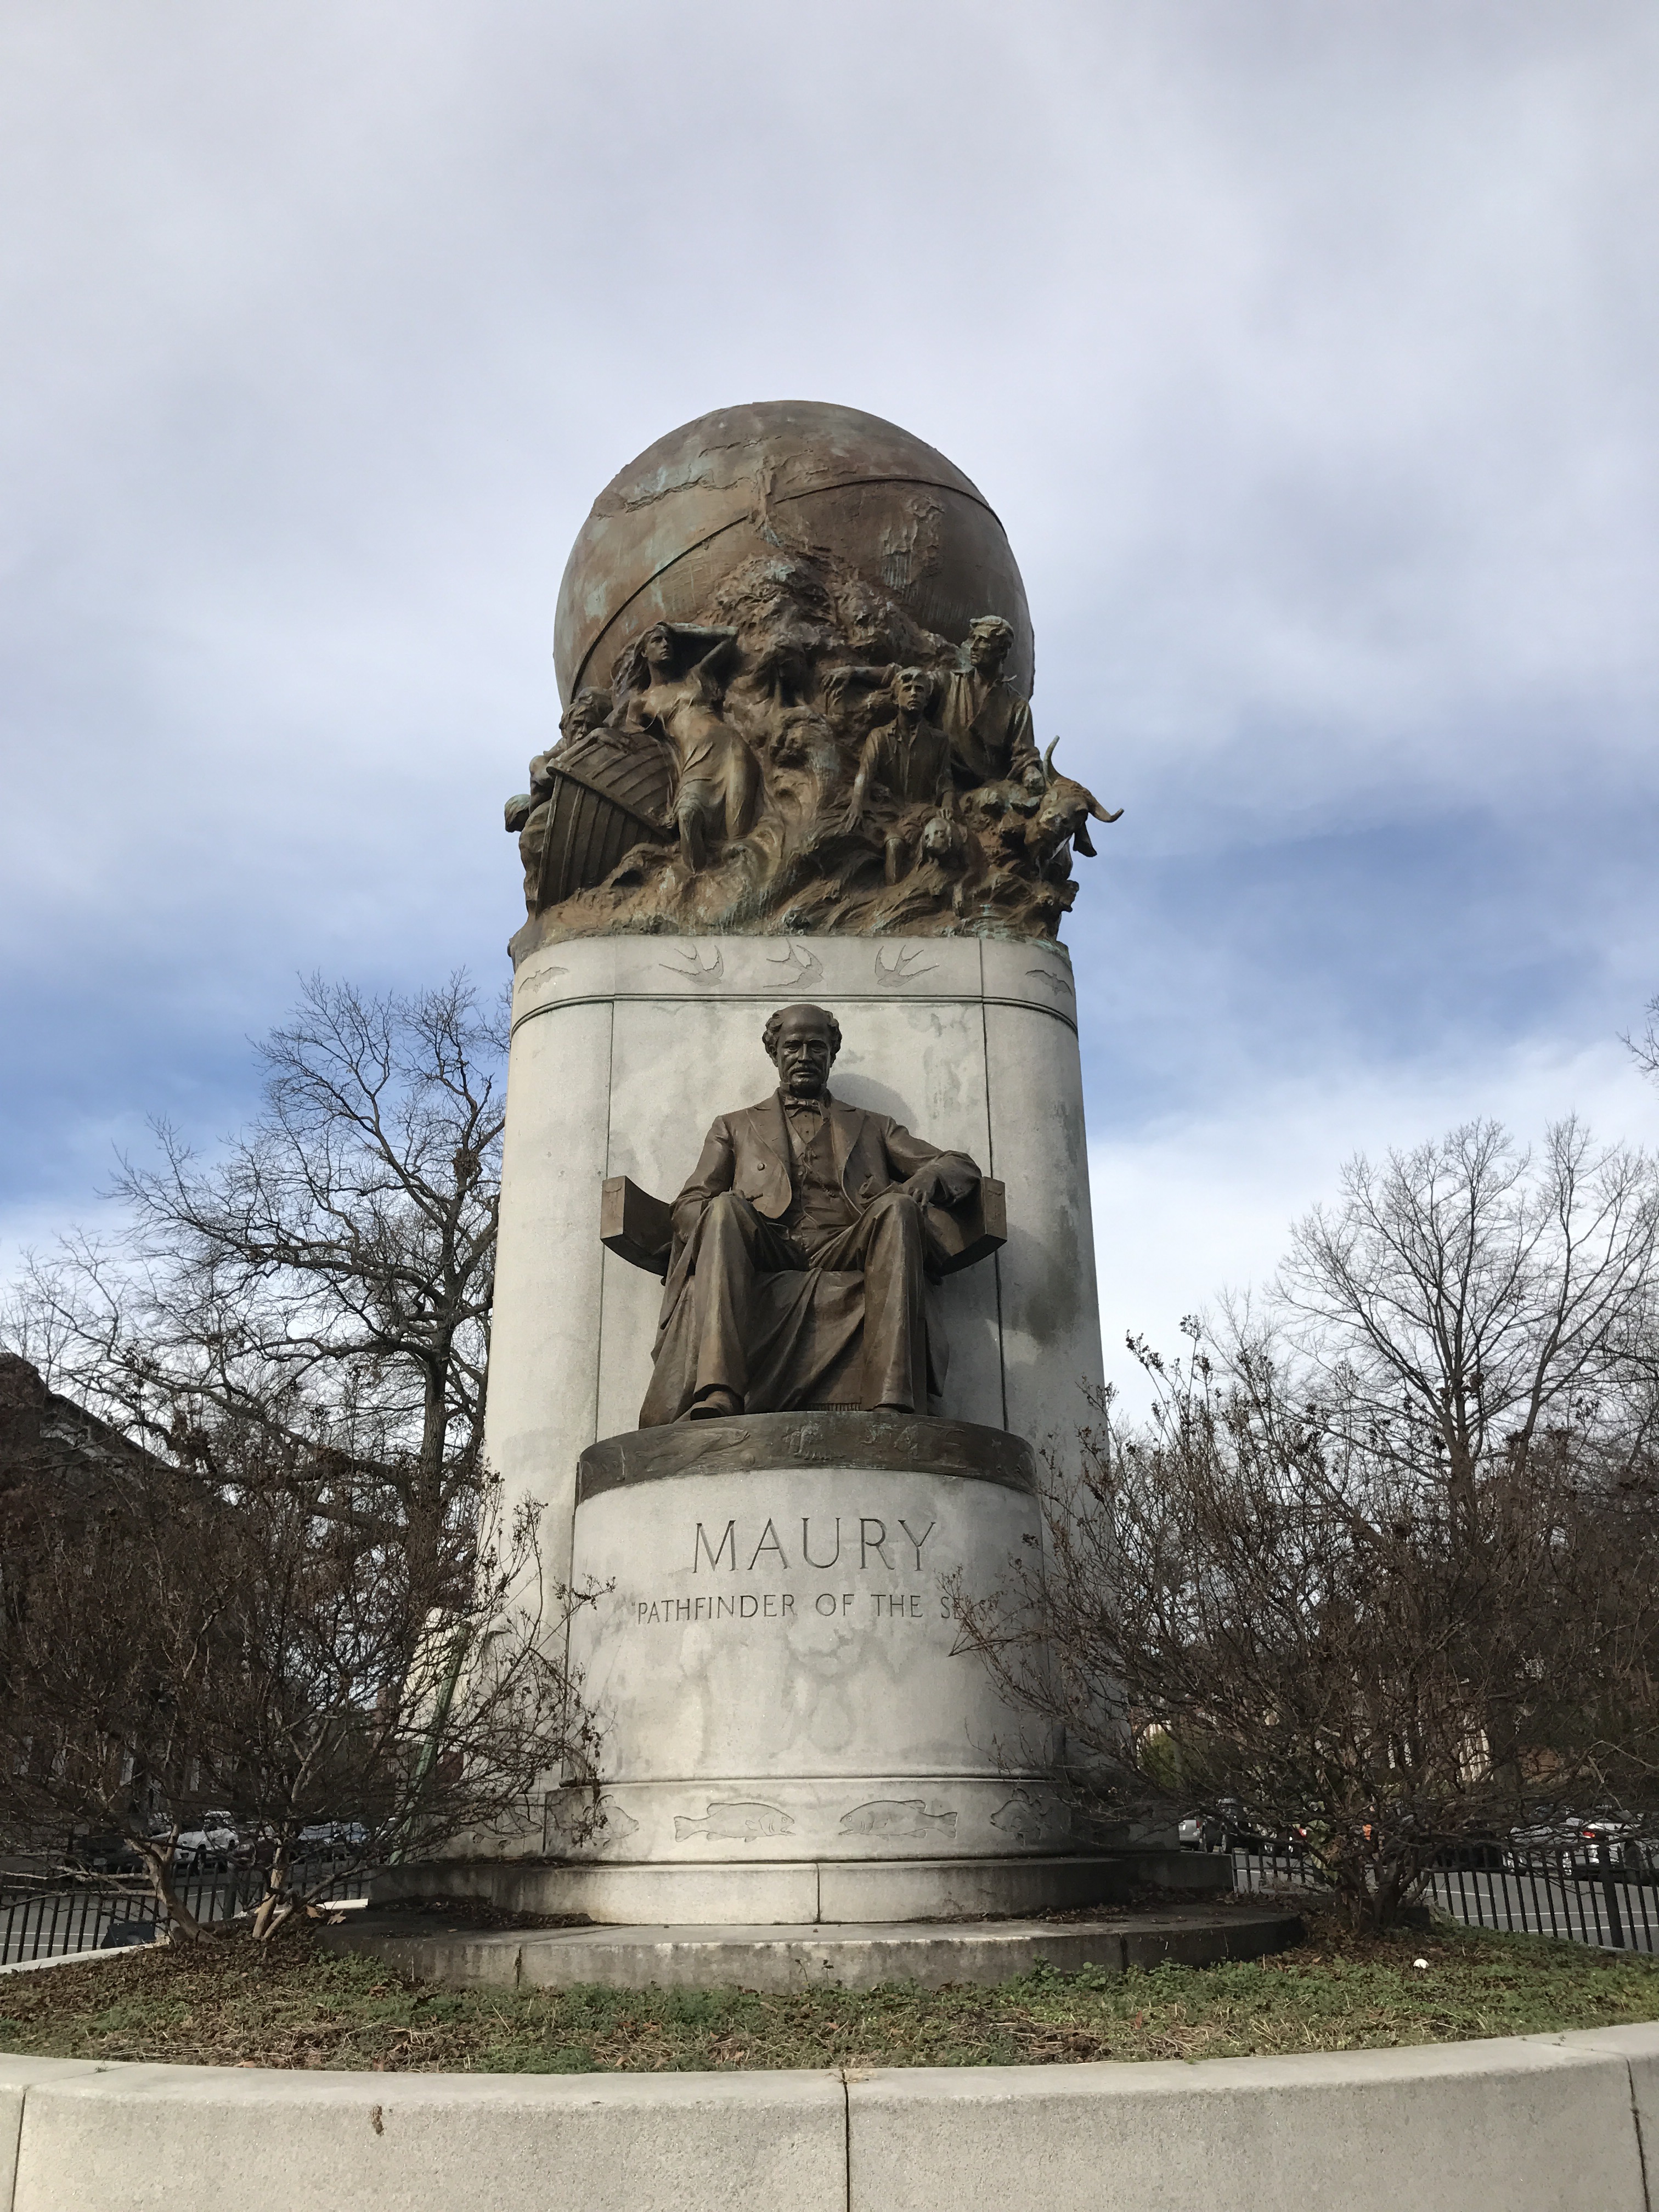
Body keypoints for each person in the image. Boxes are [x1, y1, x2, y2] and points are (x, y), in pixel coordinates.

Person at [643, 1005, 981, 1423]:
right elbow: (691, 1201)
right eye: (794, 1046)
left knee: (896, 1207)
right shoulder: (733, 1125)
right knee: (724, 1206)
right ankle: (719, 1393)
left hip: (848, 1243)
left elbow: (959, 1164)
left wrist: (925, 1182)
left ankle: (892, 1399)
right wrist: (718, 1236)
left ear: (831, 1055)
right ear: (775, 1053)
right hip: (768, 1244)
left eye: (816, 1047)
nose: (805, 1056)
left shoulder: (872, 1125)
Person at [613, 624, 759, 872]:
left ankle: (740, 885)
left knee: (738, 837)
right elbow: (630, 745)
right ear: (644, 654)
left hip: (731, 750)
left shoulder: (695, 677)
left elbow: (730, 636)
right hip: (694, 761)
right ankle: (697, 883)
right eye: (658, 641)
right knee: (687, 816)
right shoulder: (641, 703)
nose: (665, 644)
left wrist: (681, 630)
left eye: (669, 640)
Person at [842, 668, 954, 883]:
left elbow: (945, 781)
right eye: (908, 689)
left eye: (920, 690)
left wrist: (947, 805)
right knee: (894, 843)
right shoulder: (879, 736)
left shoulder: (939, 741)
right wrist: (857, 804)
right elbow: (865, 774)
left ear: (927, 699)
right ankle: (894, 895)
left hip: (923, 812)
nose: (914, 694)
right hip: (887, 811)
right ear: (895, 698)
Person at [935, 614, 1044, 791]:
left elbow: (1024, 756)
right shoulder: (949, 683)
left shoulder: (1017, 707)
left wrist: (1031, 772)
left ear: (1001, 651)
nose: (975, 647)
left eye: (983, 641)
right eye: (974, 640)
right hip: (943, 783)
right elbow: (912, 681)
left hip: (988, 791)